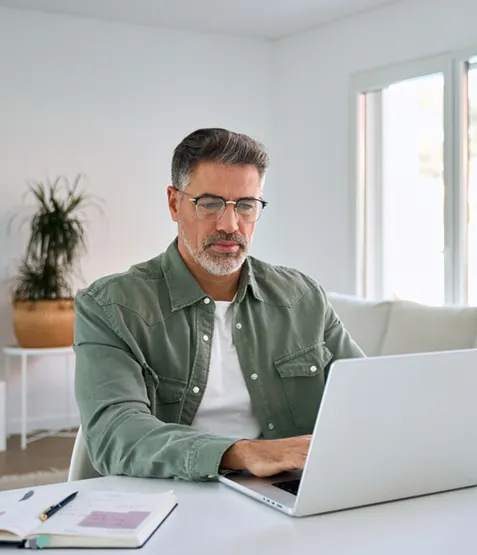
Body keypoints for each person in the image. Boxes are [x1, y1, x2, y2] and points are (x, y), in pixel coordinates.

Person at [73, 128, 364, 482]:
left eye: (246, 206)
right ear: (173, 203)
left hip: (289, 496)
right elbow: (115, 434)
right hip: (169, 499)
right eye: (209, 203)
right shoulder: (110, 307)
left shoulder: (303, 298)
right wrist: (242, 452)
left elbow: (369, 395)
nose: (230, 225)